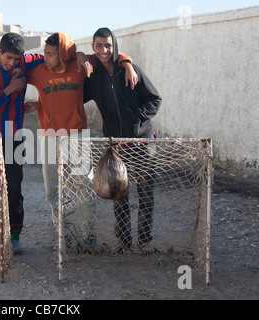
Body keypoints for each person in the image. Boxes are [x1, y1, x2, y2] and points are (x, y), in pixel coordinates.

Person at [24, 32, 136, 249]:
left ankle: (89, 235)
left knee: (84, 185)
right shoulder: (39, 72)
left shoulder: (79, 66)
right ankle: (61, 234)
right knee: (53, 189)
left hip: (77, 135)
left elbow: (107, 55)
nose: (46, 57)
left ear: (64, 54)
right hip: (48, 137)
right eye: (44, 53)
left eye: (51, 54)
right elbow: (16, 64)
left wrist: (128, 63)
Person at [83, 27, 162, 253]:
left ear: (114, 45)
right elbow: (75, 96)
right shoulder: (94, 78)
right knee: (119, 193)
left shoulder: (130, 69)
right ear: (93, 48)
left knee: (146, 192)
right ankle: (124, 241)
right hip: (117, 146)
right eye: (99, 45)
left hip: (143, 143)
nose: (104, 50)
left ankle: (145, 240)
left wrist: (136, 119)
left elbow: (155, 99)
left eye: (108, 45)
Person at [0, 32, 45, 254]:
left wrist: (80, 56)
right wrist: (9, 90)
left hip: (14, 137)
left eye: (16, 59)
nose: (12, 63)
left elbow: (53, 55)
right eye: (8, 58)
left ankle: (14, 236)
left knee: (13, 187)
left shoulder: (23, 64)